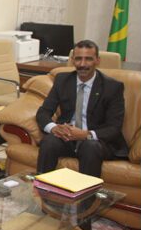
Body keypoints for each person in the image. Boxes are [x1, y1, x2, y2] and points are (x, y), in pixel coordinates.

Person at [36, 39, 128, 178]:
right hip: (67, 138)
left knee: (90, 147)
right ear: (73, 60)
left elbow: (114, 127)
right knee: (49, 141)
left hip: (96, 141)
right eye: (78, 59)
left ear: (97, 60)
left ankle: (87, 192)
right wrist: (54, 128)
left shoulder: (112, 87)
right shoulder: (62, 80)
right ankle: (41, 187)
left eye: (88, 59)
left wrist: (85, 135)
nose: (82, 64)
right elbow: (43, 112)